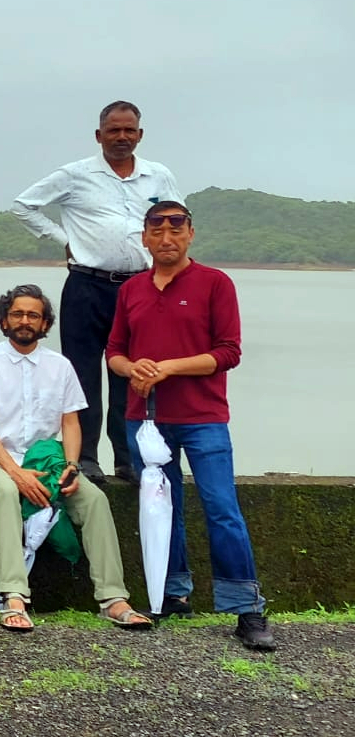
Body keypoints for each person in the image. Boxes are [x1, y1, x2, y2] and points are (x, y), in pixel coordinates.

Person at [108, 201, 273, 650]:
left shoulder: (215, 283)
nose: (166, 236)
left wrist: (169, 368)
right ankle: (172, 595)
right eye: (157, 228)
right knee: (162, 510)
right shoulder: (132, 290)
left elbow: (228, 352)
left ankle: (248, 609)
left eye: (176, 227)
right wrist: (132, 368)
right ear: (144, 238)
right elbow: (115, 352)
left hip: (203, 418)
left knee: (222, 508)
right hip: (145, 419)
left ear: (190, 234)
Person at [0, 284, 153, 633]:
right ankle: (13, 596)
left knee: (94, 499)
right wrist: (16, 473)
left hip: (49, 460)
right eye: (17, 313)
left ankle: (113, 599)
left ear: (45, 323)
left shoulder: (60, 366)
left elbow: (70, 422)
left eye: (34, 315)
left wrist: (71, 466)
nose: (25, 321)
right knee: (4, 493)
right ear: (4, 320)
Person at [10, 101, 183, 484]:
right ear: (98, 135)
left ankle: (128, 457)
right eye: (113, 130)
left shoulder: (158, 176)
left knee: (134, 374)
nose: (121, 137)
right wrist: (62, 238)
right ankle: (86, 457)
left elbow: (176, 217)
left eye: (129, 130)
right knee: (82, 374)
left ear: (140, 134)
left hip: (141, 286)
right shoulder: (75, 175)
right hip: (86, 285)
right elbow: (24, 206)